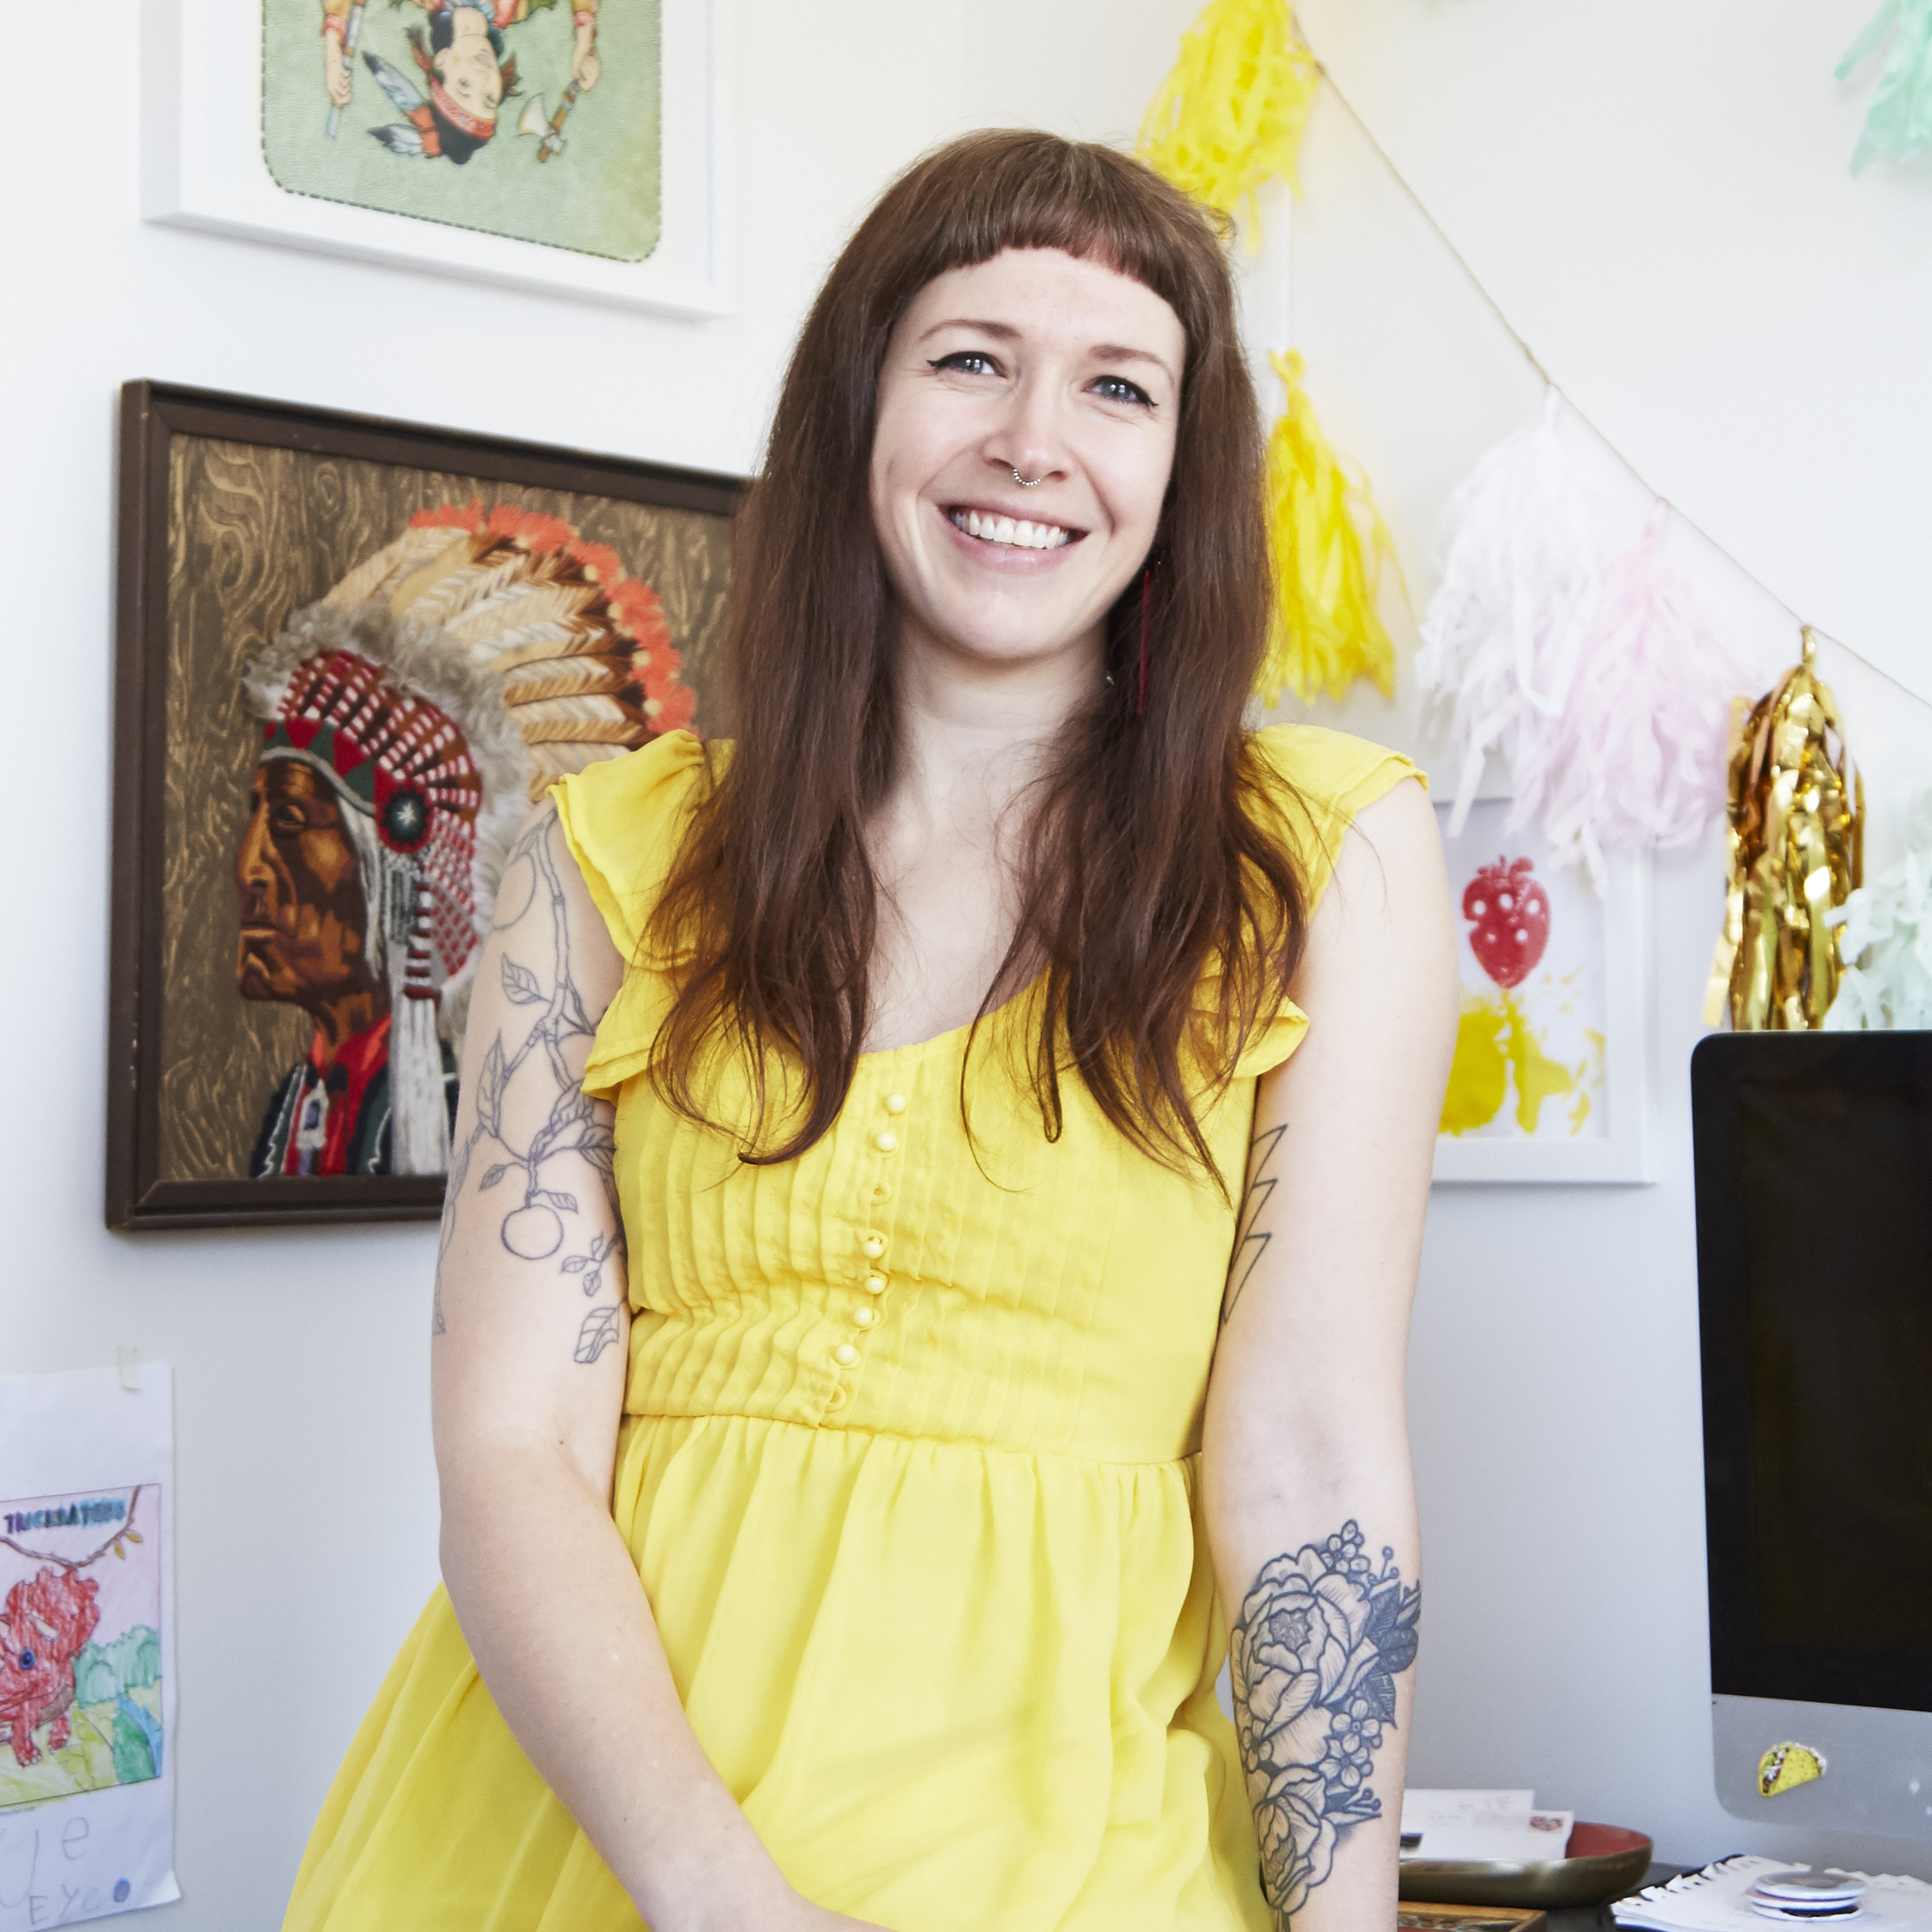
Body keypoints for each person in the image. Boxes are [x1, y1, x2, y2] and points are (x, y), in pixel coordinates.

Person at [282, 129, 1456, 1931]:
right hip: (580, 1858)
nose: (1031, 442)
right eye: (970, 358)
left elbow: (1305, 1465)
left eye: (1116, 386)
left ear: (1179, 471)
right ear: (860, 413)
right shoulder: (611, 858)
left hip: (1072, 1871)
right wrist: (712, 1890)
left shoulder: (1322, 857)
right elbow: (511, 1448)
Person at [237, 502, 690, 1178]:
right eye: (258, 819)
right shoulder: (295, 1108)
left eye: (293, 823)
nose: (251, 868)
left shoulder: (459, 1112)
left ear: (403, 854)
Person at [319, 0, 602, 164]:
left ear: (441, 61)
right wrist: (584, 43)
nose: (481, 79)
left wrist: (333, 50)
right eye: (489, 98)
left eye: (464, 85)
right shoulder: (515, 6)